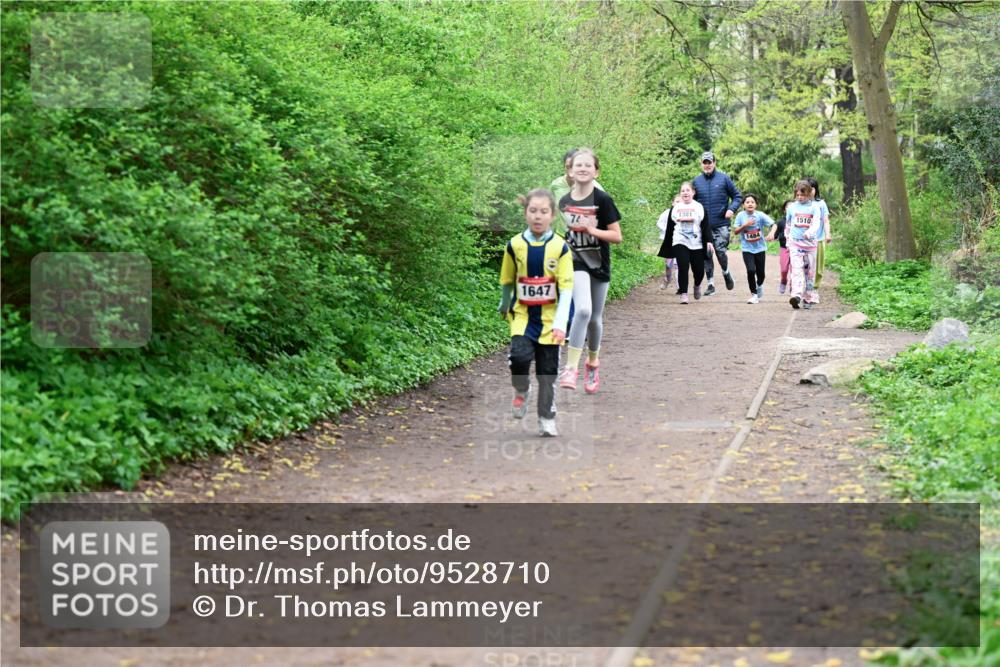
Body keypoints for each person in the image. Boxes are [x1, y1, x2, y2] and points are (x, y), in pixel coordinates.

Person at [499, 188, 574, 437]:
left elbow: (566, 290)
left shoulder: (560, 248)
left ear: (552, 215)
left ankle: (546, 417)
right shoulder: (515, 245)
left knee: (547, 374)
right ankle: (521, 389)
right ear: (525, 213)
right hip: (522, 316)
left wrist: (561, 323)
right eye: (533, 211)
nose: (538, 216)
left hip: (552, 321)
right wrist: (503, 303)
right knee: (519, 358)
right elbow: (508, 279)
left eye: (543, 212)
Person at [556, 148, 622, 394]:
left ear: (596, 171)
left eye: (587, 165)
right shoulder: (564, 202)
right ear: (570, 171)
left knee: (595, 318)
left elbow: (617, 236)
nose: (582, 168)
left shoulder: (602, 200)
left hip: (599, 262)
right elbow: (564, 234)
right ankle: (571, 368)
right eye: (577, 165)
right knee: (582, 309)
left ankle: (592, 362)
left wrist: (592, 231)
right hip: (576, 261)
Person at [691, 151, 742, 296]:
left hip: (721, 224)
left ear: (714, 163)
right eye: (704, 162)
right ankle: (711, 284)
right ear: (701, 164)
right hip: (703, 226)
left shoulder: (724, 178)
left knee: (720, 252)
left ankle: (726, 272)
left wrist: (731, 209)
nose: (707, 165)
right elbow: (691, 202)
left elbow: (737, 196)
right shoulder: (696, 182)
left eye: (709, 162)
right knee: (706, 254)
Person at [657, 182, 712, 305]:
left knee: (698, 271)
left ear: (693, 192)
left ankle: (697, 285)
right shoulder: (675, 208)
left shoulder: (699, 207)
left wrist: (709, 241)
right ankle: (683, 293)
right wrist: (668, 245)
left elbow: (706, 226)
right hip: (680, 240)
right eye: (683, 191)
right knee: (682, 266)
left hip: (696, 242)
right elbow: (670, 229)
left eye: (688, 190)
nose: (685, 193)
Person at [784, 180, 824, 310]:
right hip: (796, 243)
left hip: (811, 245)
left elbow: (816, 223)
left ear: (809, 194)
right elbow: (788, 224)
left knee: (809, 273)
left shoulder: (815, 207)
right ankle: (796, 295)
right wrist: (787, 240)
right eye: (797, 195)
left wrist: (810, 232)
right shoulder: (792, 207)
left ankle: (808, 297)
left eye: (803, 195)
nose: (800, 197)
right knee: (796, 270)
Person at [731, 193, 776, 304]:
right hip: (747, 249)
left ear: (756, 204)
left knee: (761, 274)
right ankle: (754, 294)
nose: (750, 204)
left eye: (752, 202)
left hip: (760, 248)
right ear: (743, 205)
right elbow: (736, 231)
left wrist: (771, 233)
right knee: (751, 270)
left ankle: (759, 284)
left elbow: (774, 224)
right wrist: (745, 225)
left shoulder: (760, 215)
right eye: (747, 202)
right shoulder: (741, 216)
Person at [806, 176, 831, 300]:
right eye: (807, 189)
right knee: (805, 266)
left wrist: (828, 234)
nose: (810, 191)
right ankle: (804, 289)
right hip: (803, 241)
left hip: (818, 239)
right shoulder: (800, 204)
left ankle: (814, 290)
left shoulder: (821, 203)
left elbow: (825, 220)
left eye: (812, 189)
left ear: (816, 190)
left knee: (818, 267)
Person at [766, 199, 794, 294]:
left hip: (795, 248)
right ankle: (783, 280)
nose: (790, 208)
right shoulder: (781, 222)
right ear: (784, 210)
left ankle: (793, 287)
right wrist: (771, 236)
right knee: (784, 269)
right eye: (788, 206)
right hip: (784, 248)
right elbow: (775, 234)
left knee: (794, 269)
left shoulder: (797, 221)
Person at [655, 195, 681, 289]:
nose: (679, 203)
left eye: (681, 202)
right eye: (677, 201)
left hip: (679, 241)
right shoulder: (667, 212)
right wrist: (667, 230)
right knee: (668, 264)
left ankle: (680, 287)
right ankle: (667, 279)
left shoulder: (683, 213)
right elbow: (659, 223)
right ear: (673, 203)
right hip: (667, 241)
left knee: (678, 264)